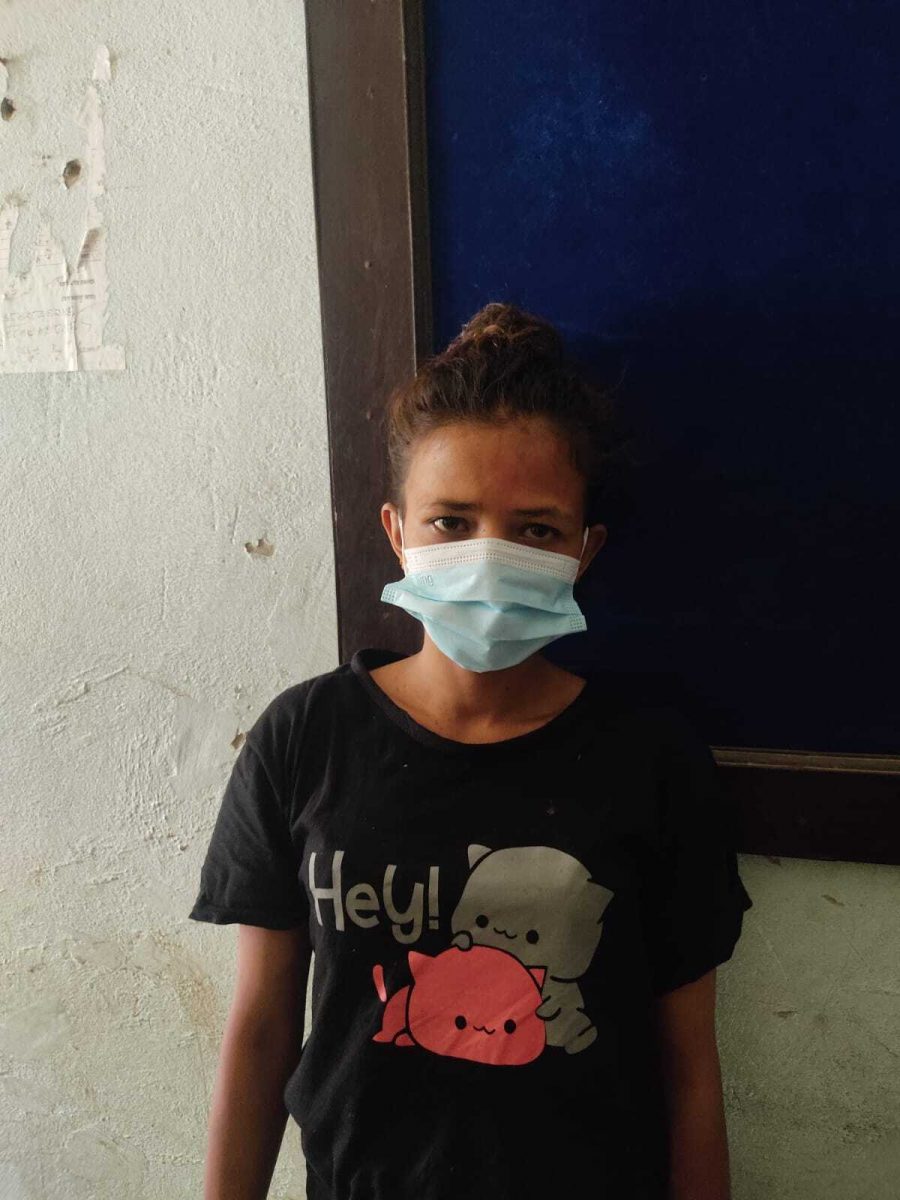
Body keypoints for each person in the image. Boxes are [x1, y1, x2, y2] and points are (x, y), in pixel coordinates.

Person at [189, 301, 754, 1200]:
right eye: (451, 522)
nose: (489, 557)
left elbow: (688, 1070)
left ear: (584, 551)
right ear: (396, 533)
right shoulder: (304, 738)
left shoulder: (653, 761)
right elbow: (260, 1035)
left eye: (536, 530)